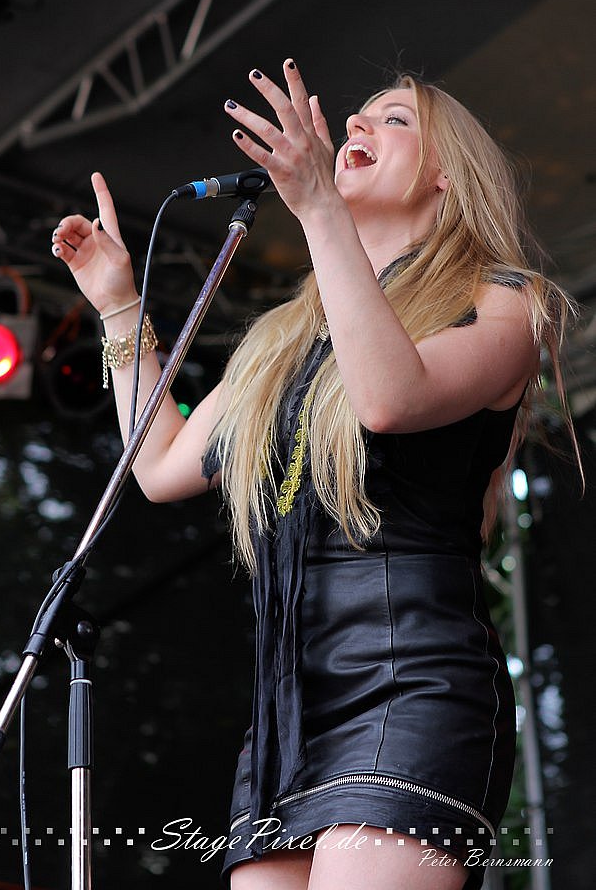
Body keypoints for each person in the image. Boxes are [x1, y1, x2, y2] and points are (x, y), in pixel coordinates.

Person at [51, 59, 574, 890]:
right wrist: (119, 305)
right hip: (286, 711)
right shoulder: (284, 338)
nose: (357, 124)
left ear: (447, 177)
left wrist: (320, 208)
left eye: (394, 119)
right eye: (359, 114)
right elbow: (158, 466)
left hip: (414, 688)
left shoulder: (503, 300)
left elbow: (389, 400)